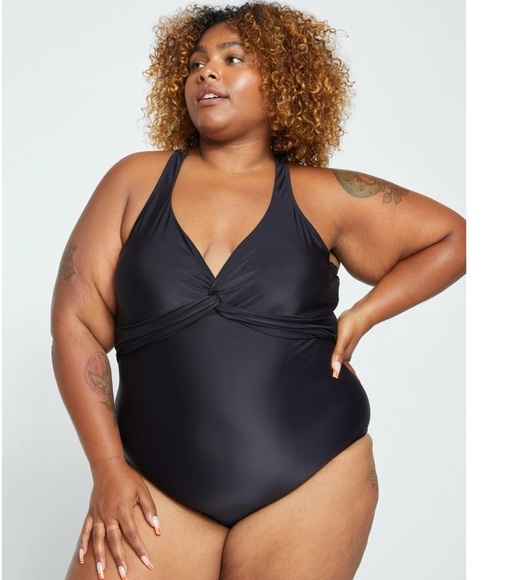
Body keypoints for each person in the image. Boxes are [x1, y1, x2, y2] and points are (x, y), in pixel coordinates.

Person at [50, 1, 466, 578]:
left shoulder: (322, 194)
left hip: (313, 478)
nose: (206, 71)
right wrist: (107, 468)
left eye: (233, 58)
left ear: (284, 83)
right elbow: (76, 325)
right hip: (153, 488)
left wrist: (364, 314)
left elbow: (453, 238)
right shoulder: (135, 182)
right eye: (195, 63)